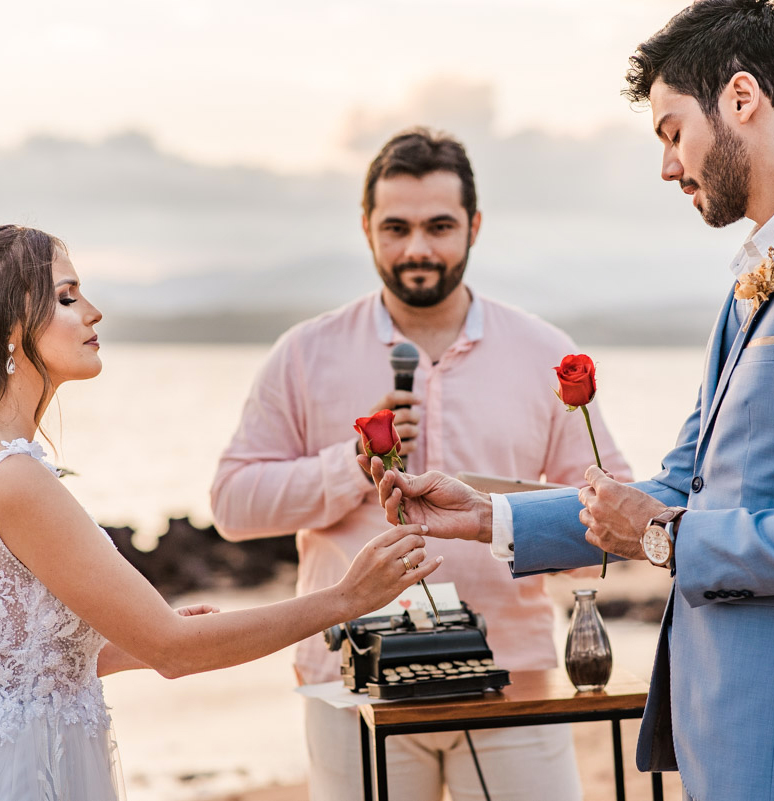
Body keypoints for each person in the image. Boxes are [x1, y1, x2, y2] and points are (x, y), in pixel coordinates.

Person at [367, 3, 774, 799]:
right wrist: (486, 517)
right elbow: (678, 486)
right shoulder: (768, 274)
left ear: (742, 98)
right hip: (724, 733)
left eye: (673, 132)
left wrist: (663, 539)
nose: (669, 166)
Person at [0, 224, 439, 801]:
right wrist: (346, 598)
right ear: (2, 329)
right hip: (24, 776)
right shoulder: (12, 476)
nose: (93, 312)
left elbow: (17, 659)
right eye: (66, 297)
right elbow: (176, 650)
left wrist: (125, 646)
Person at [211, 128, 631, 801]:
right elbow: (232, 505)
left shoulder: (541, 350)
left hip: (511, 676)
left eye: (438, 226)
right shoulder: (305, 353)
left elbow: (614, 513)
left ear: (474, 225)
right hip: (351, 678)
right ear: (366, 227)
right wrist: (349, 466)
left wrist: (518, 523)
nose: (417, 249)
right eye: (396, 228)